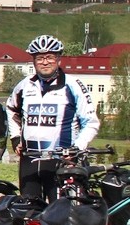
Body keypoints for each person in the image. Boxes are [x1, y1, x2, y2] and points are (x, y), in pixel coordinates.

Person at [6, 34, 100, 202]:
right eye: (40, 58)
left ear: (58, 59)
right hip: (30, 158)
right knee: (29, 212)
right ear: (34, 61)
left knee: (61, 214)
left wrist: (77, 147)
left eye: (50, 57)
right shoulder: (24, 85)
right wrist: (14, 137)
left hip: (62, 159)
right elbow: (11, 110)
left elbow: (91, 123)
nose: (45, 62)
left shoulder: (73, 85)